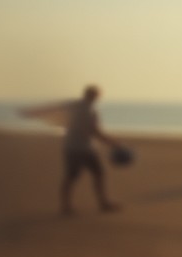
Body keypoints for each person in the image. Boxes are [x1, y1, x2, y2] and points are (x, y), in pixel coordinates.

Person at [20, 85, 123, 216]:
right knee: (73, 176)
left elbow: (53, 107)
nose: (96, 97)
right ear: (91, 95)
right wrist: (113, 144)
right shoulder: (85, 110)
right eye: (95, 95)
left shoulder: (82, 107)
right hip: (75, 148)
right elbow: (95, 131)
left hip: (85, 147)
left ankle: (102, 203)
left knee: (97, 173)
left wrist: (33, 112)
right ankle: (66, 206)